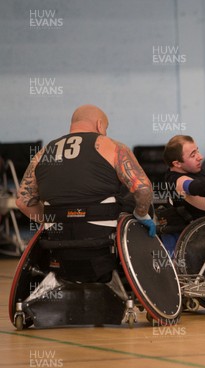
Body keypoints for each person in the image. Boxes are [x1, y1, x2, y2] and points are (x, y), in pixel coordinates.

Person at [16, 104, 155, 284]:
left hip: (58, 243)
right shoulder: (110, 145)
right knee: (139, 204)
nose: (104, 132)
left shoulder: (44, 152)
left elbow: (22, 202)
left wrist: (52, 220)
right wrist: (142, 214)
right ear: (99, 125)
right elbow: (143, 189)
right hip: (101, 242)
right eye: (105, 127)